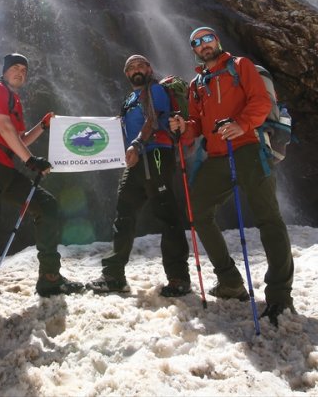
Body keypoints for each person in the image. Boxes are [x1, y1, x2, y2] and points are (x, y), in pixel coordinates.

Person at [169, 27, 296, 326]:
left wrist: (241, 124)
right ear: (194, 51)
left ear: (217, 41)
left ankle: (280, 295)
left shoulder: (241, 67)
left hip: (250, 149)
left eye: (207, 38)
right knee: (197, 211)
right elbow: (197, 125)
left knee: (268, 218)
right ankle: (230, 281)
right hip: (217, 156)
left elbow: (261, 102)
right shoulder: (197, 84)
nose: (203, 45)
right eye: (196, 43)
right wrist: (183, 127)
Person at [0, 53, 84, 318]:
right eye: (15, 68)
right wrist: (31, 161)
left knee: (46, 206)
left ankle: (49, 278)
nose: (20, 72)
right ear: (5, 71)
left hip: (2, 168)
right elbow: (5, 129)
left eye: (24, 69)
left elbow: (18, 138)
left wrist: (42, 126)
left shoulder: (14, 99)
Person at [86, 55, 191, 297]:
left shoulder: (155, 89)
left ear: (149, 68)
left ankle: (178, 278)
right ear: (126, 74)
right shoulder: (129, 99)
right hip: (135, 161)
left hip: (156, 156)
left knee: (167, 215)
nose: (136, 69)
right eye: (130, 67)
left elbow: (153, 120)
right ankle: (114, 276)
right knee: (124, 215)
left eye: (140, 65)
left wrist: (136, 144)